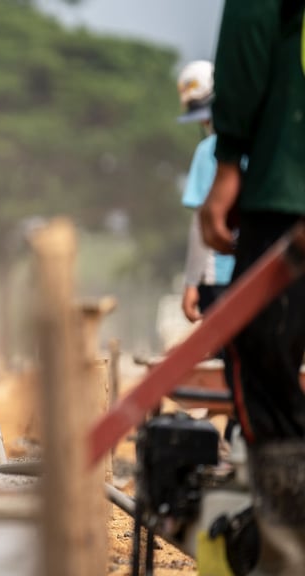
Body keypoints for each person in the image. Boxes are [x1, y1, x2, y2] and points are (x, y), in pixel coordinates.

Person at [199, 0, 305, 573]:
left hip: (286, 184)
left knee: (264, 365)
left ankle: (287, 557)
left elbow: (251, 19)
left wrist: (231, 154)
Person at [175, 60, 234, 324]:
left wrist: (190, 283)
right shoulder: (256, 147)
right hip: (259, 273)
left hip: (217, 277)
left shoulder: (207, 151)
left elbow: (201, 225)